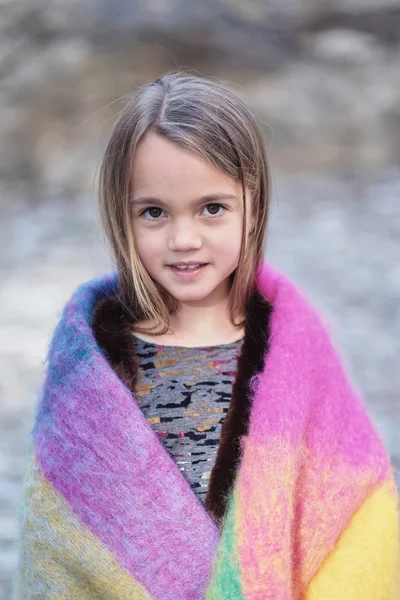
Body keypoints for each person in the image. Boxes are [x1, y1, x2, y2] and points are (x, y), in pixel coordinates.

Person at [13, 72, 399, 599]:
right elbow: (59, 549)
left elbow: (358, 524)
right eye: (154, 212)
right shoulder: (89, 367)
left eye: (212, 208)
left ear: (253, 207)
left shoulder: (295, 354)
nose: (184, 238)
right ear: (119, 217)